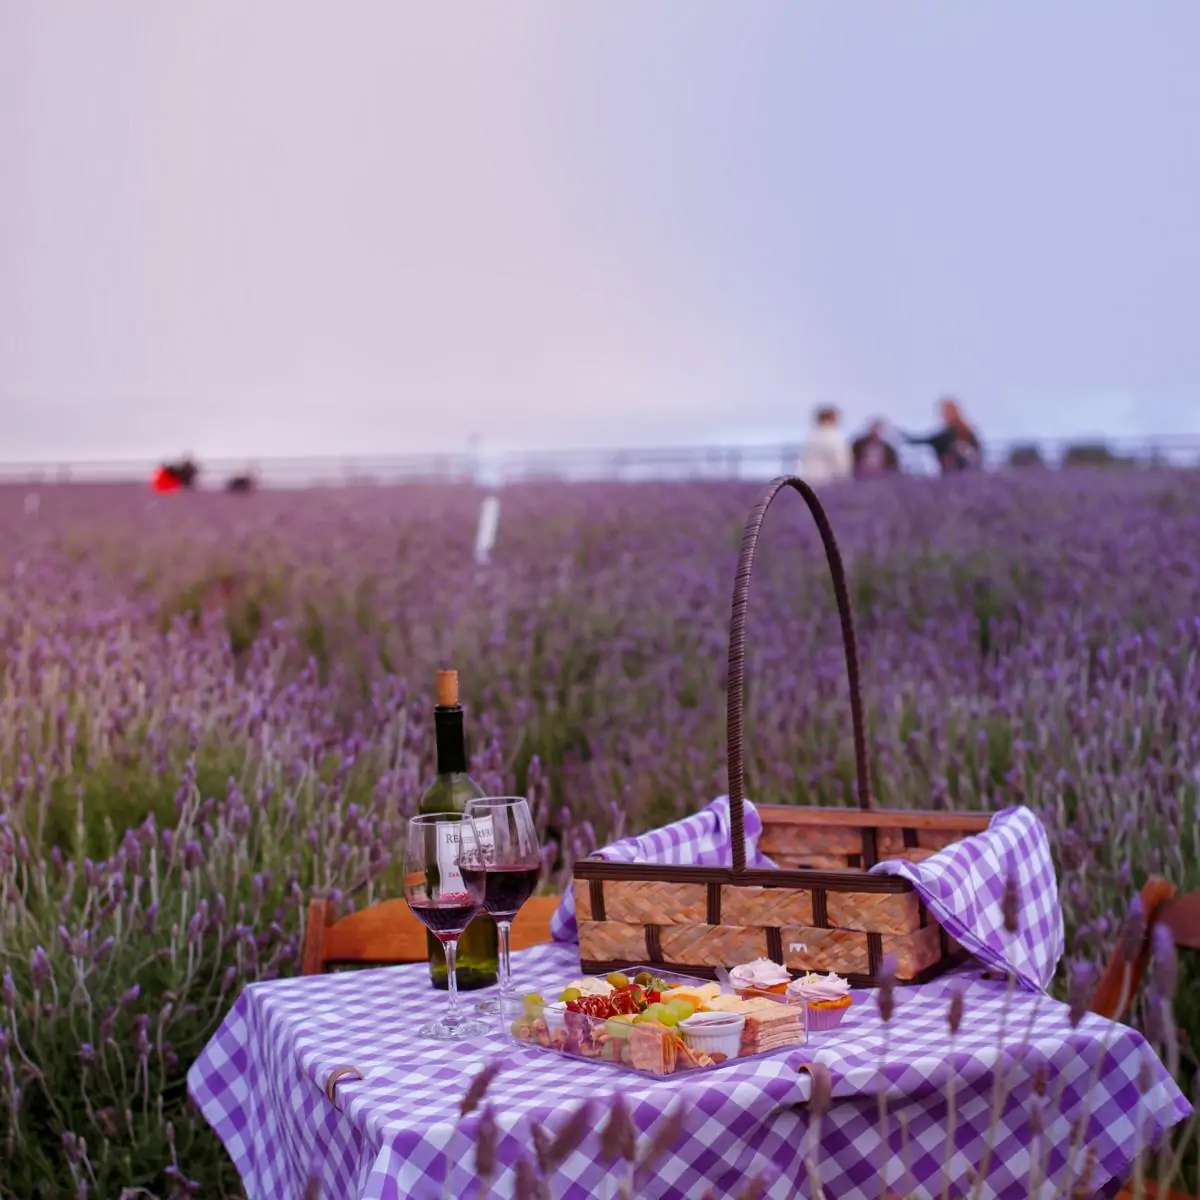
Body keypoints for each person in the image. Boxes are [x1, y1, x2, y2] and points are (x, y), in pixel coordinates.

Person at [903, 398, 981, 474]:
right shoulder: (967, 430)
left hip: (953, 475)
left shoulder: (948, 434)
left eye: (943, 412)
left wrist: (901, 436)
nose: (941, 415)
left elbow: (921, 440)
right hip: (969, 475)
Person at [799, 406, 852, 486]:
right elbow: (840, 464)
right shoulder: (833, 436)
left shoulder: (811, 435)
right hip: (828, 482)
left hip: (809, 481)